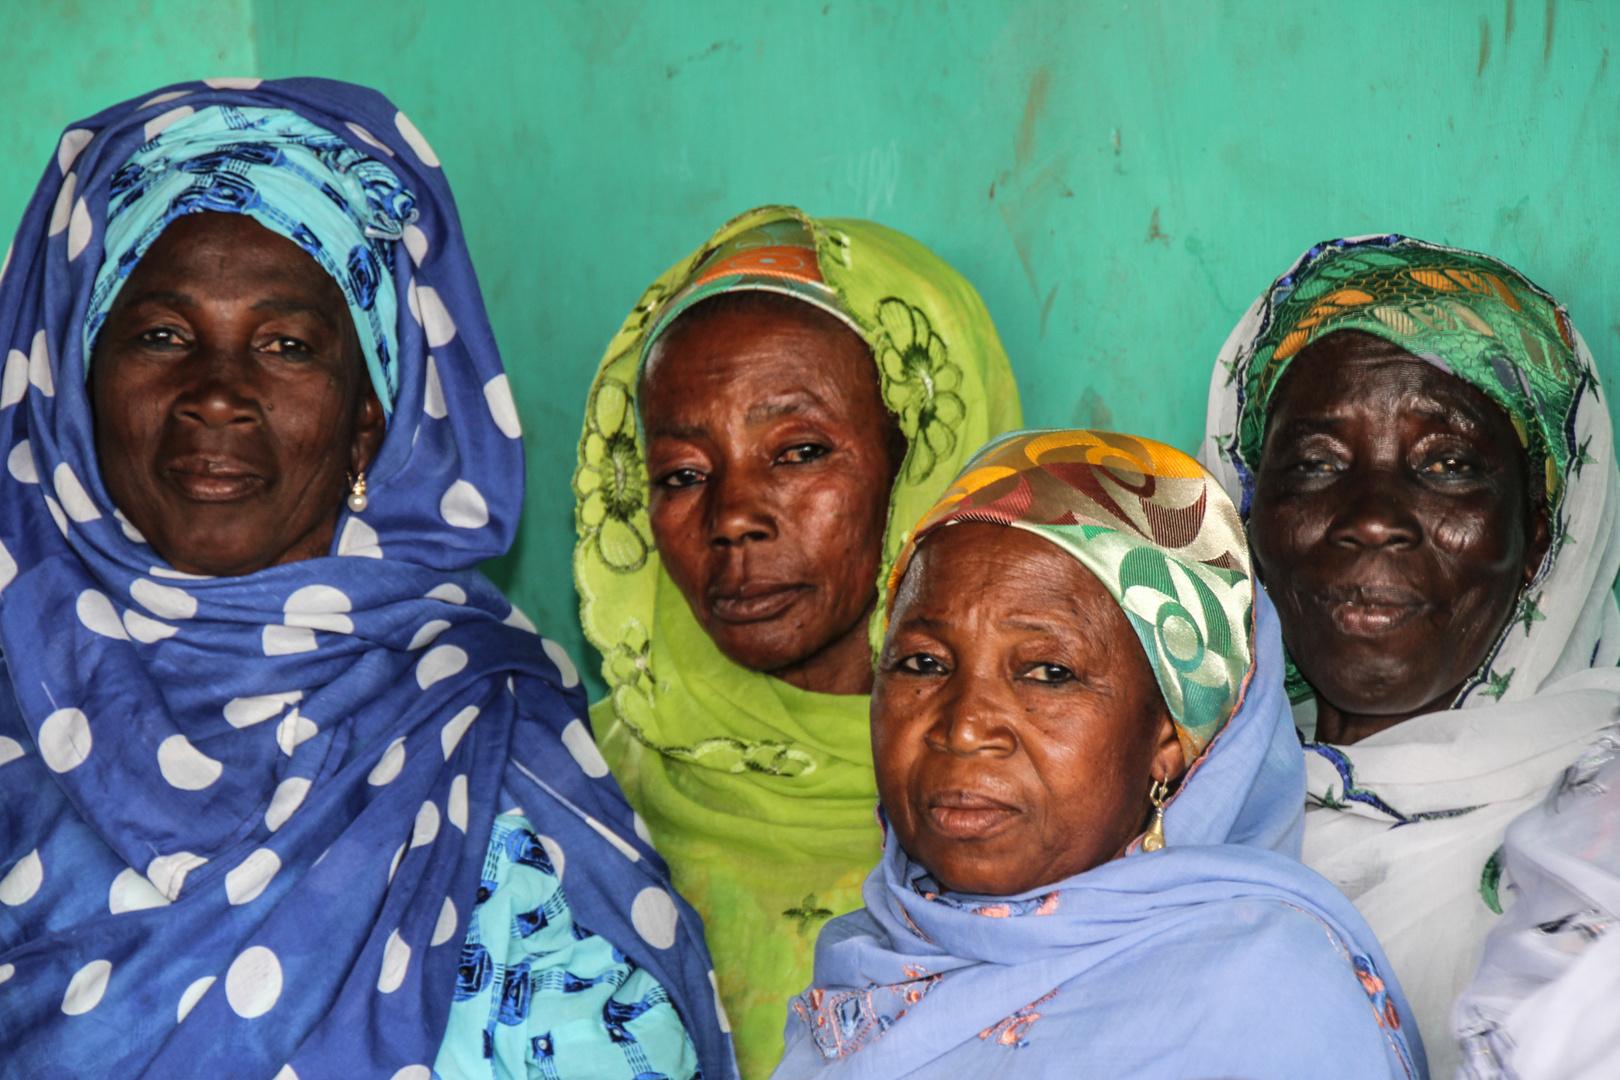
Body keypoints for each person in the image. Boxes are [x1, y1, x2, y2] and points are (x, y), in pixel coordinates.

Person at [0, 79, 734, 1080]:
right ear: (79, 399)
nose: (217, 394)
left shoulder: (471, 719)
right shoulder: (17, 693)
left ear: (367, 422)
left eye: (288, 345)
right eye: (163, 334)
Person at [773, 429, 1423, 1080]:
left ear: (1171, 739)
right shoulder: (867, 963)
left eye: (1048, 673)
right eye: (923, 664)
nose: (965, 727)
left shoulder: (1263, 1000)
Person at [573, 207, 1021, 1075]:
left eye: (798, 450)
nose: (734, 516)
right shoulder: (570, 792)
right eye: (682, 474)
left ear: (922, 464)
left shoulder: (1034, 798)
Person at [1199, 234, 1620, 1074]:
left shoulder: (1597, 836)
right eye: (1316, 463)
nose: (1373, 517)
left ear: (1541, 536)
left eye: (1449, 464)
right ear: (1246, 515)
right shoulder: (1163, 799)